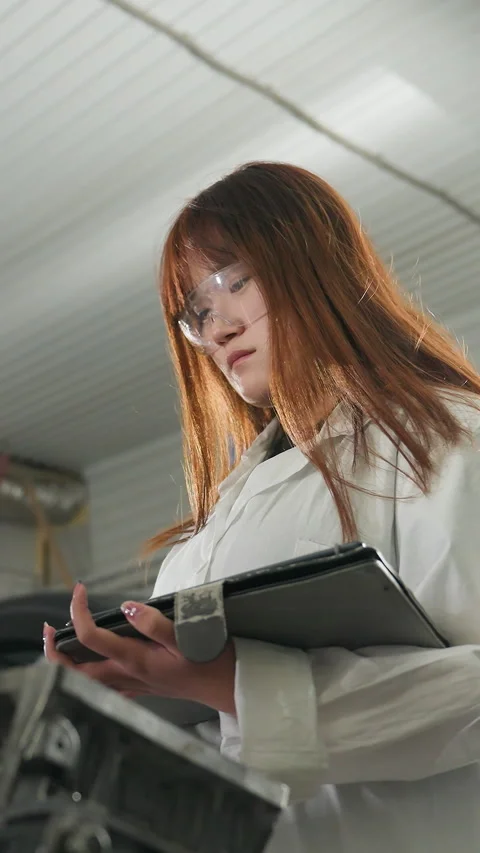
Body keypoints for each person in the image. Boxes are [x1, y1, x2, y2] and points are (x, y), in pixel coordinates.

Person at [45, 162, 480, 853]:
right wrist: (110, 703)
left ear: (312, 259)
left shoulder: (442, 437)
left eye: (233, 281)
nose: (216, 328)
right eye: (196, 312)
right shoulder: (209, 535)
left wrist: (239, 686)